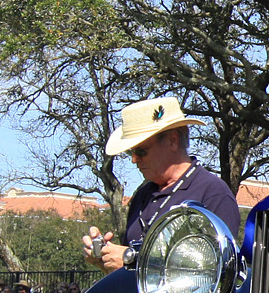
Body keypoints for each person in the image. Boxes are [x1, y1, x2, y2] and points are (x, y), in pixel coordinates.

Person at [83, 96, 241, 271]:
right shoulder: (143, 195)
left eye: (141, 151)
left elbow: (215, 270)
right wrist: (107, 259)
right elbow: (129, 270)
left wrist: (132, 260)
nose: (134, 160)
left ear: (172, 140)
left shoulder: (212, 193)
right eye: (131, 152)